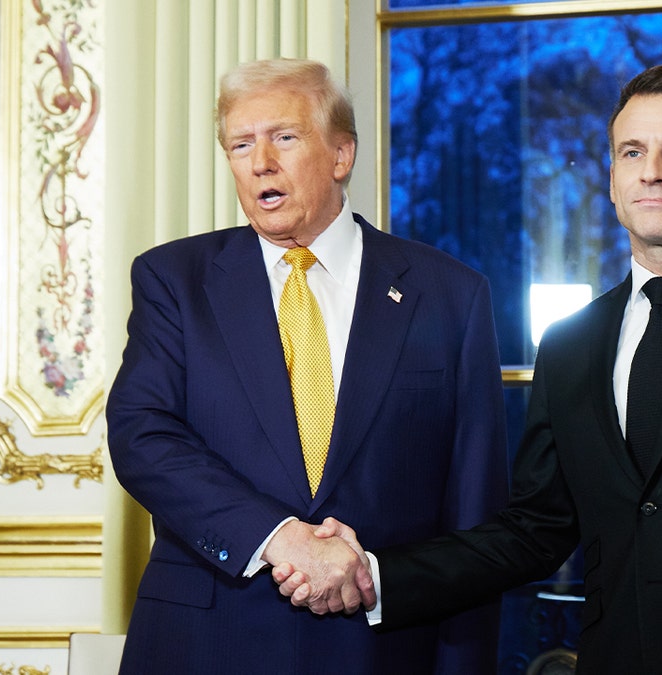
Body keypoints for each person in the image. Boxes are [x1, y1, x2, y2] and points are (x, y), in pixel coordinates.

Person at [279, 64, 662, 674]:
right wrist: (376, 574)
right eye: (632, 152)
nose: (651, 172)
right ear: (611, 179)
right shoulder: (572, 343)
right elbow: (534, 530)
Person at [105, 58, 508, 674]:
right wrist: (279, 537)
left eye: (283, 137)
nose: (259, 161)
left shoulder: (450, 294)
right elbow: (143, 435)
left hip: (383, 649)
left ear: (341, 155)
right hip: (206, 643)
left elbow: (475, 512)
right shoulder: (173, 280)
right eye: (240, 144)